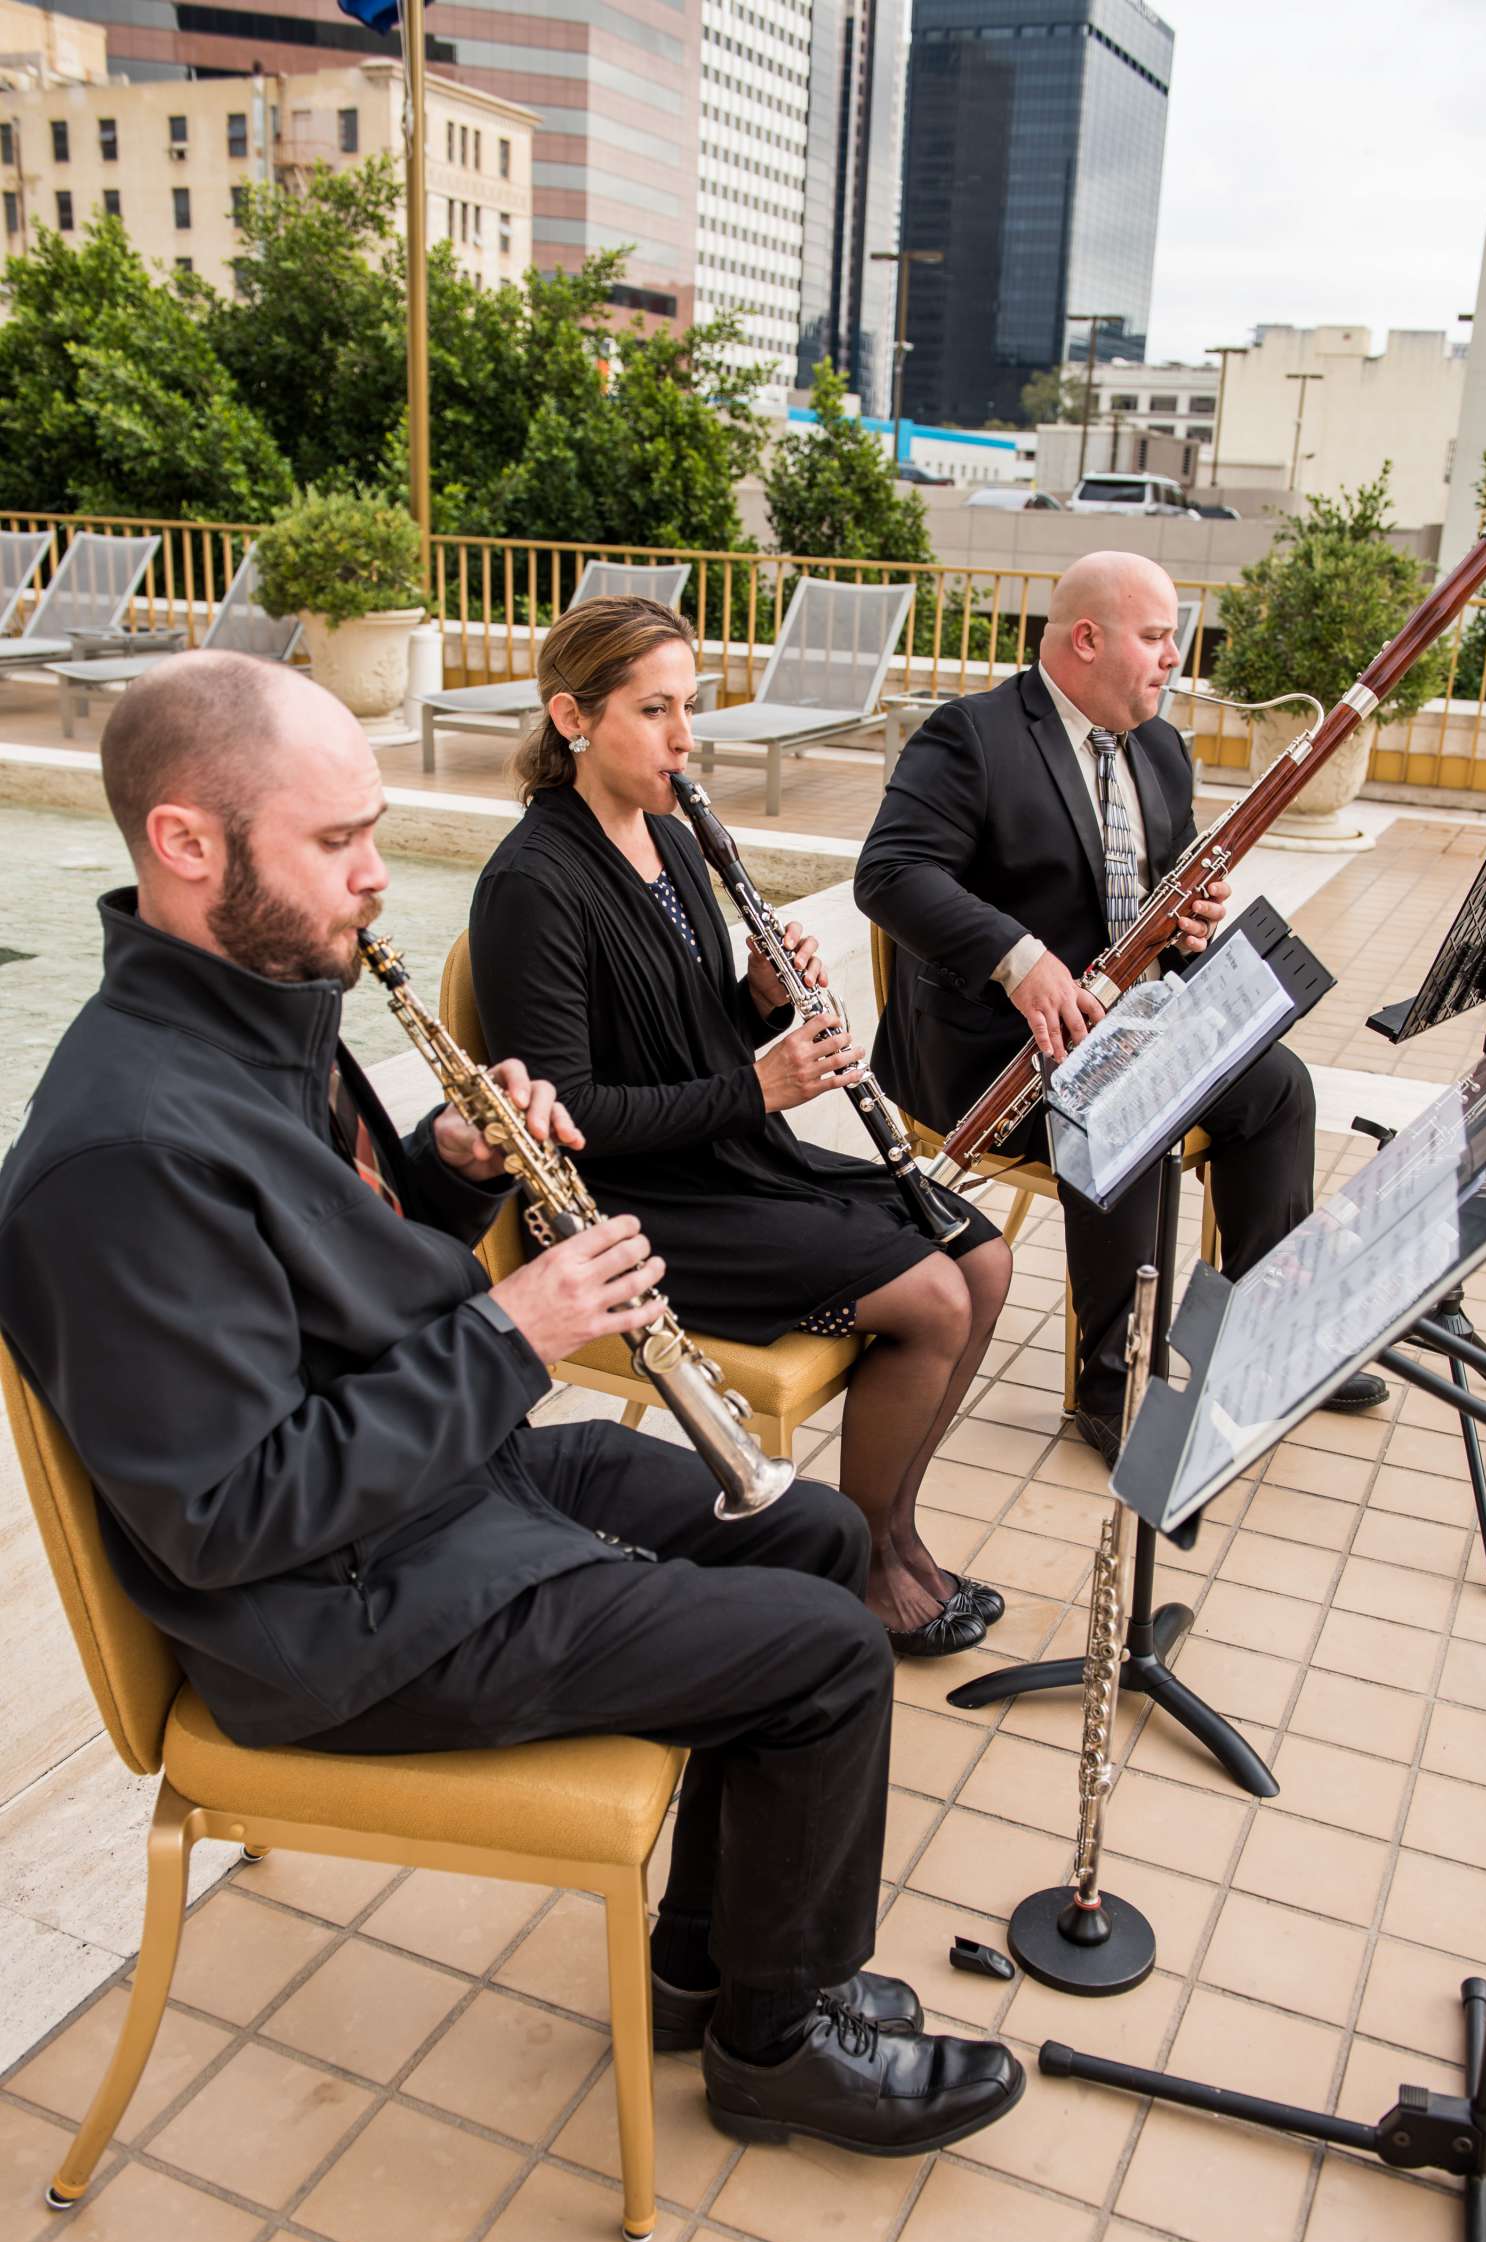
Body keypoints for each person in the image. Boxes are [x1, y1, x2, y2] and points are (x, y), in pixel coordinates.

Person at [0, 650, 1024, 2159]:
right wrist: (517, 1328)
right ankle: (777, 2049)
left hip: (434, 1501)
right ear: (186, 843)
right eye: (340, 843)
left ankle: (710, 1968)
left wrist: (439, 1164)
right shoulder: (118, 1152)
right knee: (821, 1654)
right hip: (337, 1619)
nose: (372, 877)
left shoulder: (253, 1009)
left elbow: (322, 1267)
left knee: (807, 1535)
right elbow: (224, 1518)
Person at [469, 596, 1014, 1659]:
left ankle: (892, 1537)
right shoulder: (532, 884)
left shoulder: (669, 840)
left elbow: (685, 1027)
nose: (684, 737)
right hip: (636, 1204)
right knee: (936, 1293)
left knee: (983, 1260)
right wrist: (761, 1086)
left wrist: (757, 996)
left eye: (691, 706)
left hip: (725, 1156)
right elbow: (567, 1114)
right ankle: (864, 1562)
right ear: (572, 717)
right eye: (654, 710)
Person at [855, 551, 1386, 1462]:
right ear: (1089, 639)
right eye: (1155, 636)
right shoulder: (971, 736)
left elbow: (1157, 895)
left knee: (1279, 1087)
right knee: (1128, 1109)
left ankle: (1261, 1332)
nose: (1174, 656)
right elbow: (891, 874)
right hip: (995, 1055)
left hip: (1121, 1030)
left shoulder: (1162, 749)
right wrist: (1021, 961)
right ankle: (1116, 1385)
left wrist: (1188, 924)